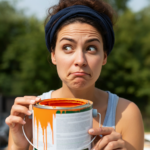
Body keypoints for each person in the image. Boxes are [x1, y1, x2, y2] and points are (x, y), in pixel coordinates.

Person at [5, 0, 144, 149]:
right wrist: (19, 146)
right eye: (67, 47)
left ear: (104, 56)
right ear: (53, 55)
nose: (80, 60)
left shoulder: (126, 113)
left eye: (91, 48)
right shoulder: (30, 116)